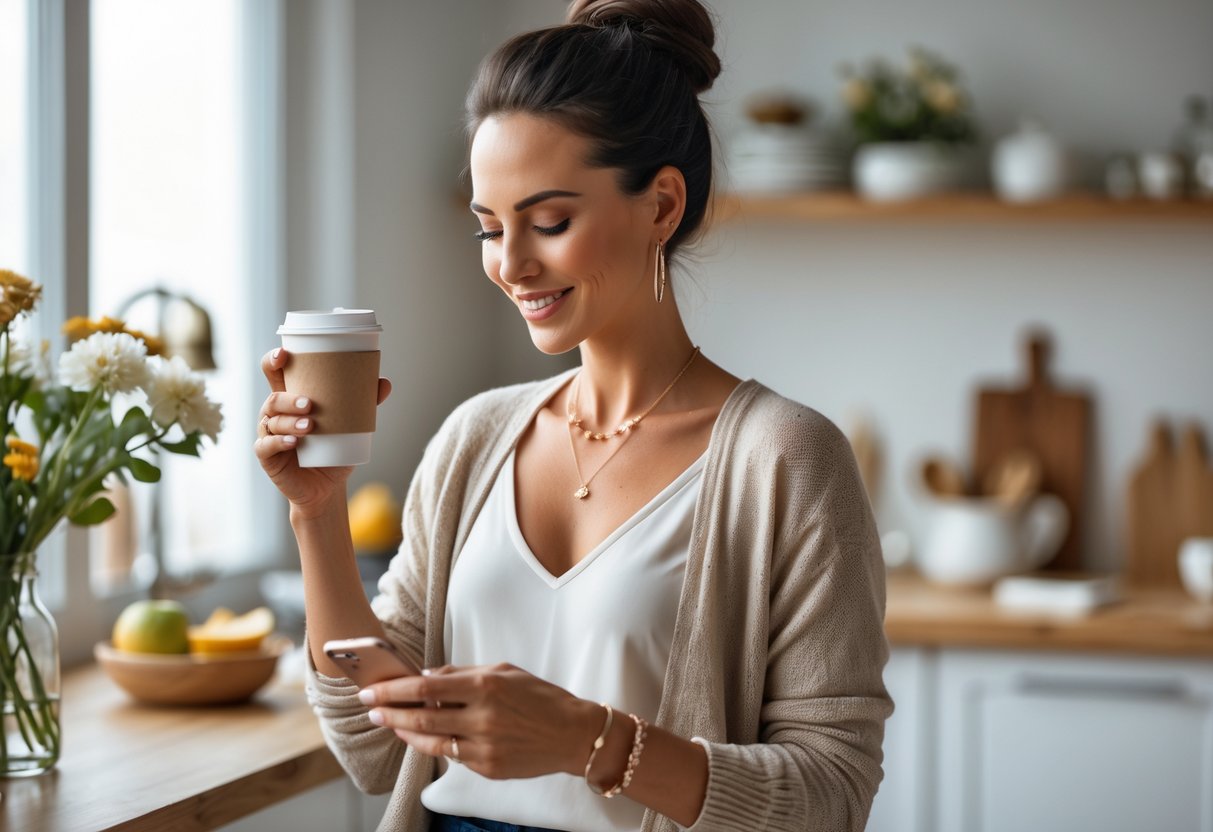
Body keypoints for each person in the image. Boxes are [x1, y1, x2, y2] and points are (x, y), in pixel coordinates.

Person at [255, 1, 892, 830]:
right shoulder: (474, 439)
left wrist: (587, 739)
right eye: (490, 228)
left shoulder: (786, 460)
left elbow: (830, 797)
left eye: (549, 221)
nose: (512, 265)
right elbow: (375, 748)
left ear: (662, 205)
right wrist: (316, 511)